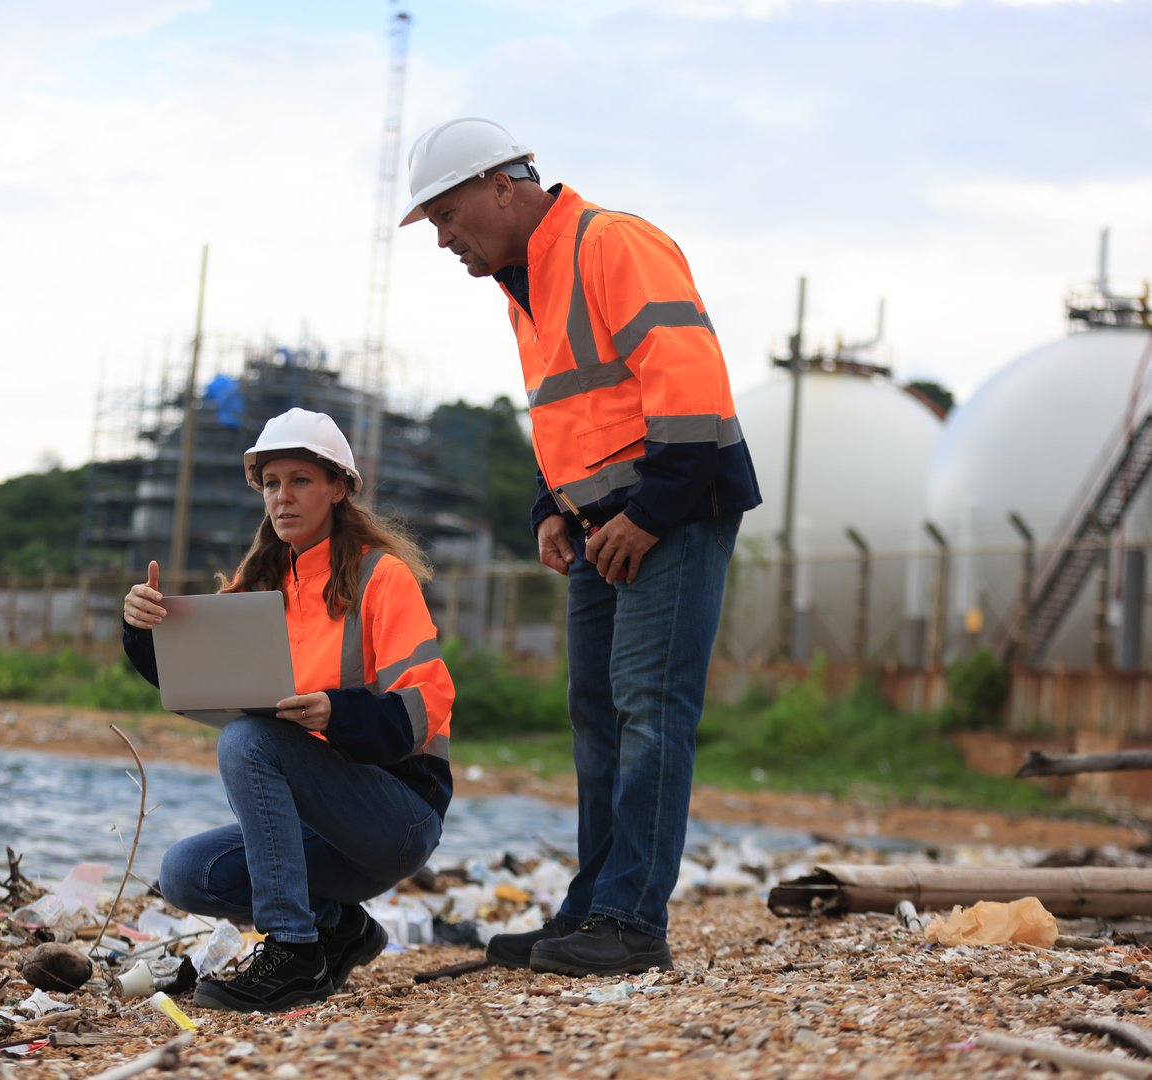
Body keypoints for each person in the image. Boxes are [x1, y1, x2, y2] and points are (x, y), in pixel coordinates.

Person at [399, 118, 761, 977]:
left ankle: (632, 923)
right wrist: (548, 509)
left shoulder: (610, 243)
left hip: (667, 512)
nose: (444, 240)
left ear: (501, 185)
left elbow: (692, 386)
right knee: (597, 720)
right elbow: (566, 409)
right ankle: (591, 909)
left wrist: (654, 512)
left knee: (648, 713)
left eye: (447, 216)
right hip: (603, 522)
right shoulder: (527, 279)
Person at [121, 407, 456, 1012]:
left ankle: (294, 952)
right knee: (184, 872)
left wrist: (337, 712)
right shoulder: (261, 582)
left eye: (300, 480)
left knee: (247, 741)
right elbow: (194, 677)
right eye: (272, 483)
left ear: (338, 488)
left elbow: (427, 704)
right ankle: (340, 927)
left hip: (397, 817)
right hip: (318, 830)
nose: (283, 497)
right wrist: (144, 628)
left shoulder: (383, 577)